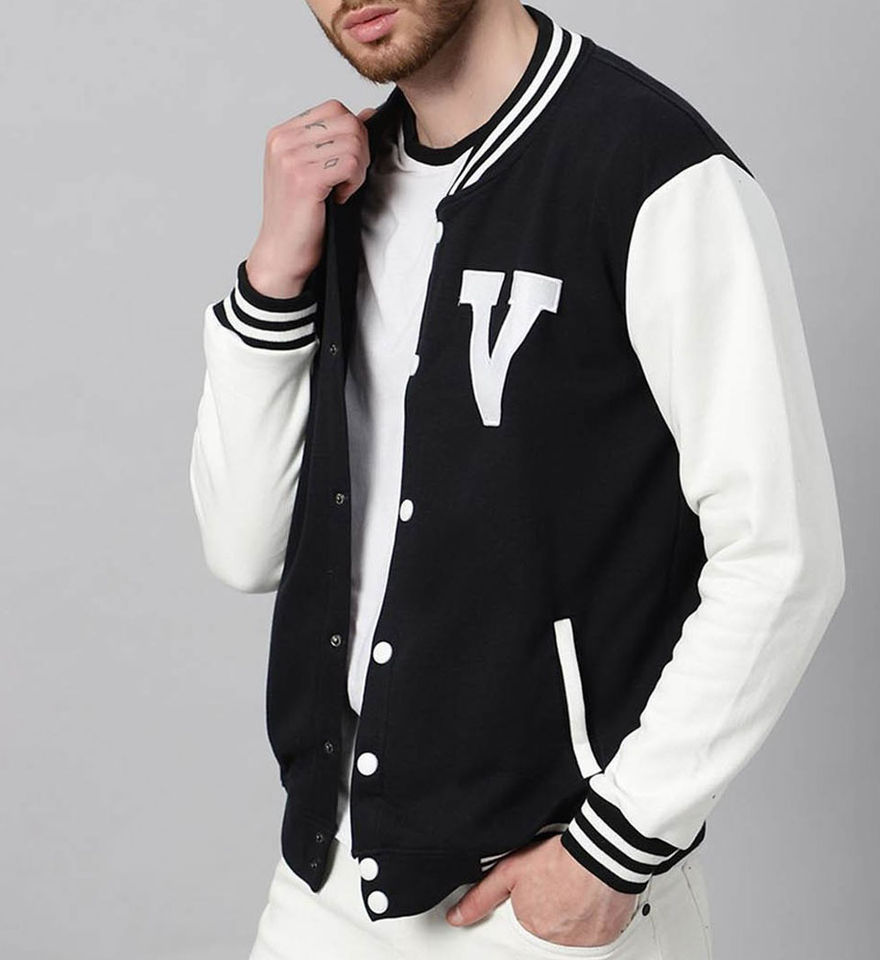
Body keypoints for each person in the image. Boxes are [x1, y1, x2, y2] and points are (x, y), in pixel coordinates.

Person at [188, 1, 846, 957]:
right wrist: (274, 273)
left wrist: (617, 846)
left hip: (546, 894)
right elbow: (246, 549)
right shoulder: (342, 188)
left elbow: (784, 555)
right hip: (329, 876)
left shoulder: (653, 170)